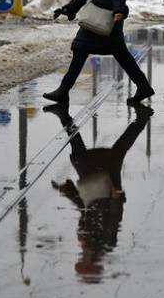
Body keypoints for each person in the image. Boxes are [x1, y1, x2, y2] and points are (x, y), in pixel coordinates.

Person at [47, 103, 153, 283]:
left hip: (92, 186)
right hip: (106, 188)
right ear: (92, 261)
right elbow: (114, 219)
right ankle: (142, 118)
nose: (80, 257)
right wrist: (116, 196)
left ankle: (64, 116)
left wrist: (68, 192)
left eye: (79, 260)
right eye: (82, 261)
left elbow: (85, 209)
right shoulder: (106, 243)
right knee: (113, 153)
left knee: (82, 156)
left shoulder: (84, 242)